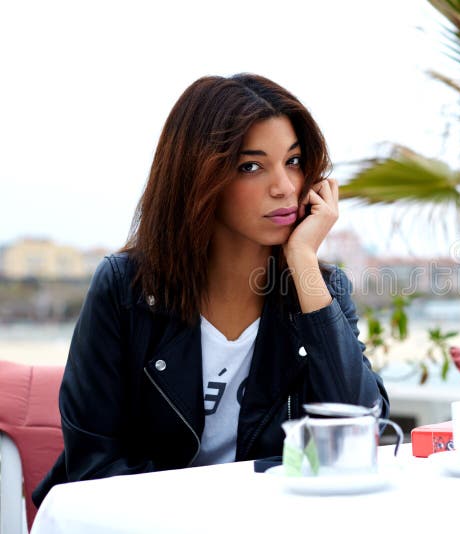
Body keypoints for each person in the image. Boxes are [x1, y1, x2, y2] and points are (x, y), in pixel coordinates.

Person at [33, 73, 389, 505]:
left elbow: (364, 431)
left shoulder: (319, 288)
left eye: (293, 161)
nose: (285, 187)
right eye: (251, 166)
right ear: (199, 178)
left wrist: (303, 264)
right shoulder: (126, 289)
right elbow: (95, 464)